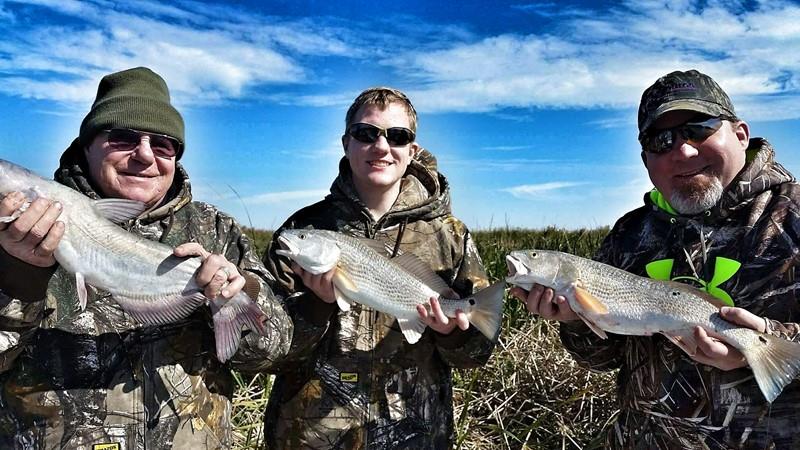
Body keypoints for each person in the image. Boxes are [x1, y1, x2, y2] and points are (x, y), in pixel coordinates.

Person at [0, 67, 292, 449]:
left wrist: (239, 292)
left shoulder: (217, 229)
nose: (144, 155)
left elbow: (276, 351)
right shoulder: (13, 229)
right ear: (87, 145)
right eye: (122, 137)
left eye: (163, 143)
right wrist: (19, 279)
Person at [513, 69, 800, 449]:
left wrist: (765, 343)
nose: (683, 151)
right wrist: (576, 319)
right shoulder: (630, 233)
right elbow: (603, 358)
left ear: (740, 134)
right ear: (646, 159)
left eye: (700, 128)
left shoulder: (793, 215)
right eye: (661, 139)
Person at [263, 87, 496, 449]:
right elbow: (267, 350)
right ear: (346, 142)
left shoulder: (451, 235)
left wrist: (452, 332)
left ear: (412, 150)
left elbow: (477, 354)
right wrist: (315, 304)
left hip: (415, 437)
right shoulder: (303, 227)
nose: (381, 146)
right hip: (310, 439)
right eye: (365, 133)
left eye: (397, 136)